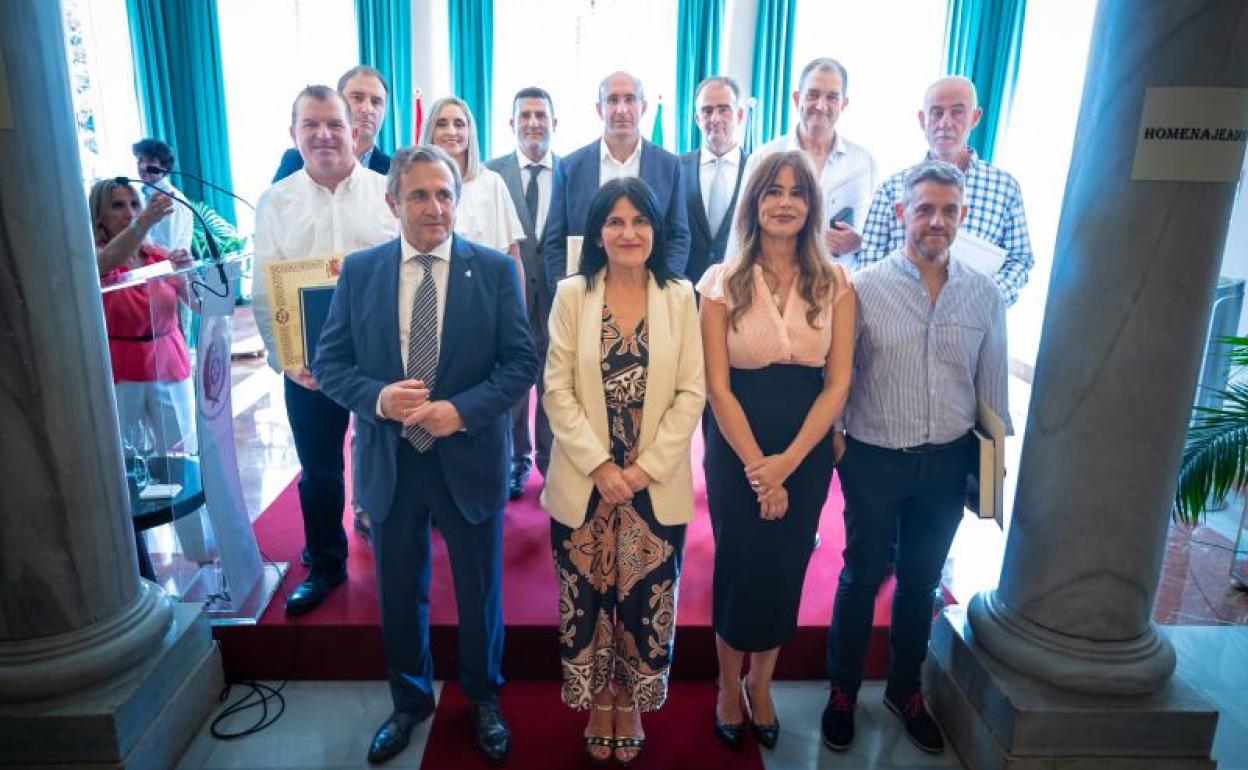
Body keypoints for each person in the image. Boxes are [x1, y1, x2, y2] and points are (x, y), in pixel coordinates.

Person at [314, 145, 538, 765]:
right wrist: (381, 398)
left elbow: (522, 363)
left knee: (479, 591)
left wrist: (461, 410)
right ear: (393, 203)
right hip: (392, 461)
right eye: (419, 195)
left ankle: (484, 697)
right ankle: (409, 701)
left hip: (467, 459)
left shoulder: (493, 271)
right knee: (398, 590)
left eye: (444, 194)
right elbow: (331, 364)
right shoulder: (360, 273)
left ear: (458, 201)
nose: (434, 207)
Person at [821, 160, 1010, 755]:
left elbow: (993, 393)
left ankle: (905, 691)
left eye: (949, 211)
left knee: (922, 581)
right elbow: (837, 380)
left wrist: (990, 472)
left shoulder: (984, 294)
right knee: (861, 575)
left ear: (963, 216)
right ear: (902, 213)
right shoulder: (863, 288)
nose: (937, 221)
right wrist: (839, 451)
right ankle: (843, 692)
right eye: (924, 209)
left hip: (947, 463)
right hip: (874, 458)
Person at [542, 177, 705, 765]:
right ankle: (596, 703)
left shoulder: (680, 296)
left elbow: (692, 392)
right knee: (585, 602)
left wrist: (642, 471)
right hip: (586, 481)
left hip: (652, 486)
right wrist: (600, 465)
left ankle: (631, 703)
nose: (628, 231)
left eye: (640, 220)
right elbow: (556, 390)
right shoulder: (572, 294)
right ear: (597, 232)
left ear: (656, 229)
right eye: (615, 221)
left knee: (643, 603)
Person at [697, 151, 855, 751]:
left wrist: (786, 466)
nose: (784, 202)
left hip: (807, 448)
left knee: (787, 564)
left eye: (796, 192)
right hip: (738, 444)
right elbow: (717, 386)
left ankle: (762, 686)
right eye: (772, 191)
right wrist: (761, 471)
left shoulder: (837, 282)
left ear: (811, 204)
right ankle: (725, 684)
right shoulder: (720, 281)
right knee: (740, 564)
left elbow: (837, 383)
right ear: (754, 202)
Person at [252, 85, 398, 616]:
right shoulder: (276, 201)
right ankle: (327, 565)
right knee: (319, 471)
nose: (324, 134)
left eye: (334, 124)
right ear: (294, 134)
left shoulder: (388, 194)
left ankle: (397, 552)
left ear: (354, 131)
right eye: (310, 125)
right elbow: (265, 288)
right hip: (310, 368)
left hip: (381, 364)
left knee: (390, 461)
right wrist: (286, 359)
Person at [91, 178, 211, 562]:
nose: (128, 212)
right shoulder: (92, 255)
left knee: (178, 460)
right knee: (122, 463)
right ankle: (128, 554)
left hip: (167, 364)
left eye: (134, 204)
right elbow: (105, 264)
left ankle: (199, 547)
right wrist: (140, 226)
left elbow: (197, 304)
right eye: (117, 206)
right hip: (121, 371)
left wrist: (189, 271)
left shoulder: (158, 255)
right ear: (99, 215)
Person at [858, 75, 1033, 306]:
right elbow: (870, 260)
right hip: (900, 321)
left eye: (957, 112)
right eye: (937, 112)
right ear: (923, 120)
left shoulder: (1005, 187)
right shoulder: (892, 189)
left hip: (974, 326)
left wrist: (985, 298)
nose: (946, 123)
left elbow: (1019, 259)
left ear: (975, 117)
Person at [543, 71, 690, 292]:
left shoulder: (669, 165)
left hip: (651, 295)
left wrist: (663, 287)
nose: (621, 109)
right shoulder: (570, 167)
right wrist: (567, 292)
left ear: (644, 107)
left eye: (630, 99)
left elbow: (678, 236)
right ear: (599, 109)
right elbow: (554, 242)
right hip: (586, 295)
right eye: (612, 100)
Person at [486, 87, 563, 498]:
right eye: (525, 115)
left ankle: (552, 465)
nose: (534, 122)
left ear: (555, 122)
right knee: (513, 388)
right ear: (511, 123)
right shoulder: (490, 173)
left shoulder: (571, 172)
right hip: (508, 303)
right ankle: (516, 462)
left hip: (557, 303)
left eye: (541, 115)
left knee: (555, 387)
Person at [730, 58, 876, 268]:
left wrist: (860, 242)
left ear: (844, 104)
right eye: (813, 95)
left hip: (840, 286)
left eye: (832, 97)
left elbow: (875, 236)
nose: (821, 105)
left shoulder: (864, 163)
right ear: (797, 98)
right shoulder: (764, 157)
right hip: (773, 283)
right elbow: (740, 231)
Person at [420, 96, 526, 313]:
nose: (451, 131)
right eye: (442, 124)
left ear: (470, 132)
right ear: (430, 131)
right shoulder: (414, 185)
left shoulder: (492, 183)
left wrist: (520, 315)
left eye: (459, 124)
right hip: (430, 301)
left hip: (484, 299)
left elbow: (513, 256)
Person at [680, 76, 749, 287]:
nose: (715, 118)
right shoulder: (676, 169)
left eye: (723, 109)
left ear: (739, 115)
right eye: (707, 111)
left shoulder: (757, 169)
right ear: (696, 119)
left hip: (741, 291)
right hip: (685, 293)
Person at [272, 66, 392, 182]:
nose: (367, 109)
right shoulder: (295, 160)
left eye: (376, 102)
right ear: (337, 102)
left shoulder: (394, 170)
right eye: (357, 97)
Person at [132, 138, 193, 254]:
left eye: (149, 161)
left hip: (169, 269)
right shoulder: (139, 195)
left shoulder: (171, 198)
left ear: (164, 167)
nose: (142, 166)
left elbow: (165, 245)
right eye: (140, 160)